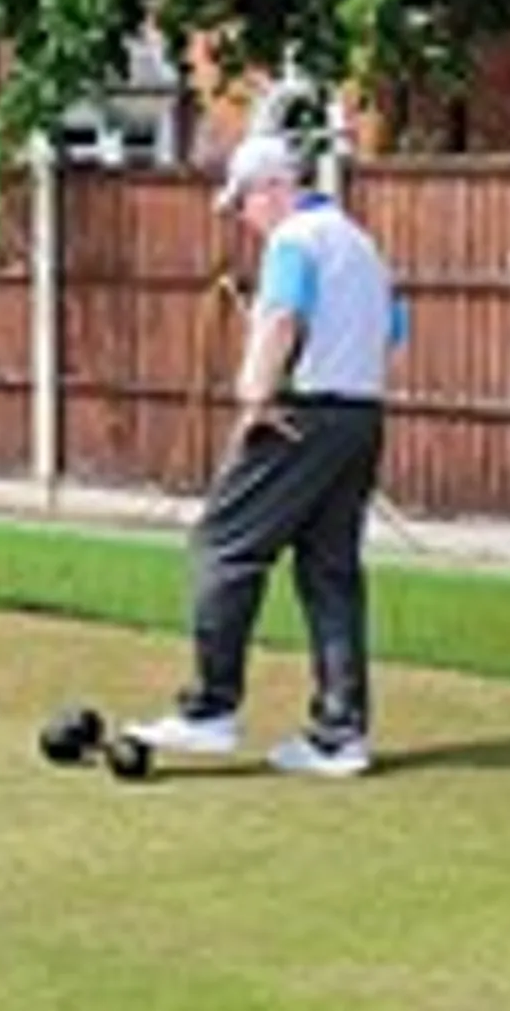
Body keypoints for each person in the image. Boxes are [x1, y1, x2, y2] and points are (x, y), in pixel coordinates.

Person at [124, 133, 395, 777]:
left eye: (243, 202)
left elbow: (280, 318)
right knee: (331, 573)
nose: (243, 217)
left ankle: (210, 709)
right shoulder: (362, 245)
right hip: (360, 416)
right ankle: (340, 735)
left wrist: (255, 396)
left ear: (272, 188)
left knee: (223, 545)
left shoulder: (294, 240)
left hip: (299, 413)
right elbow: (394, 329)